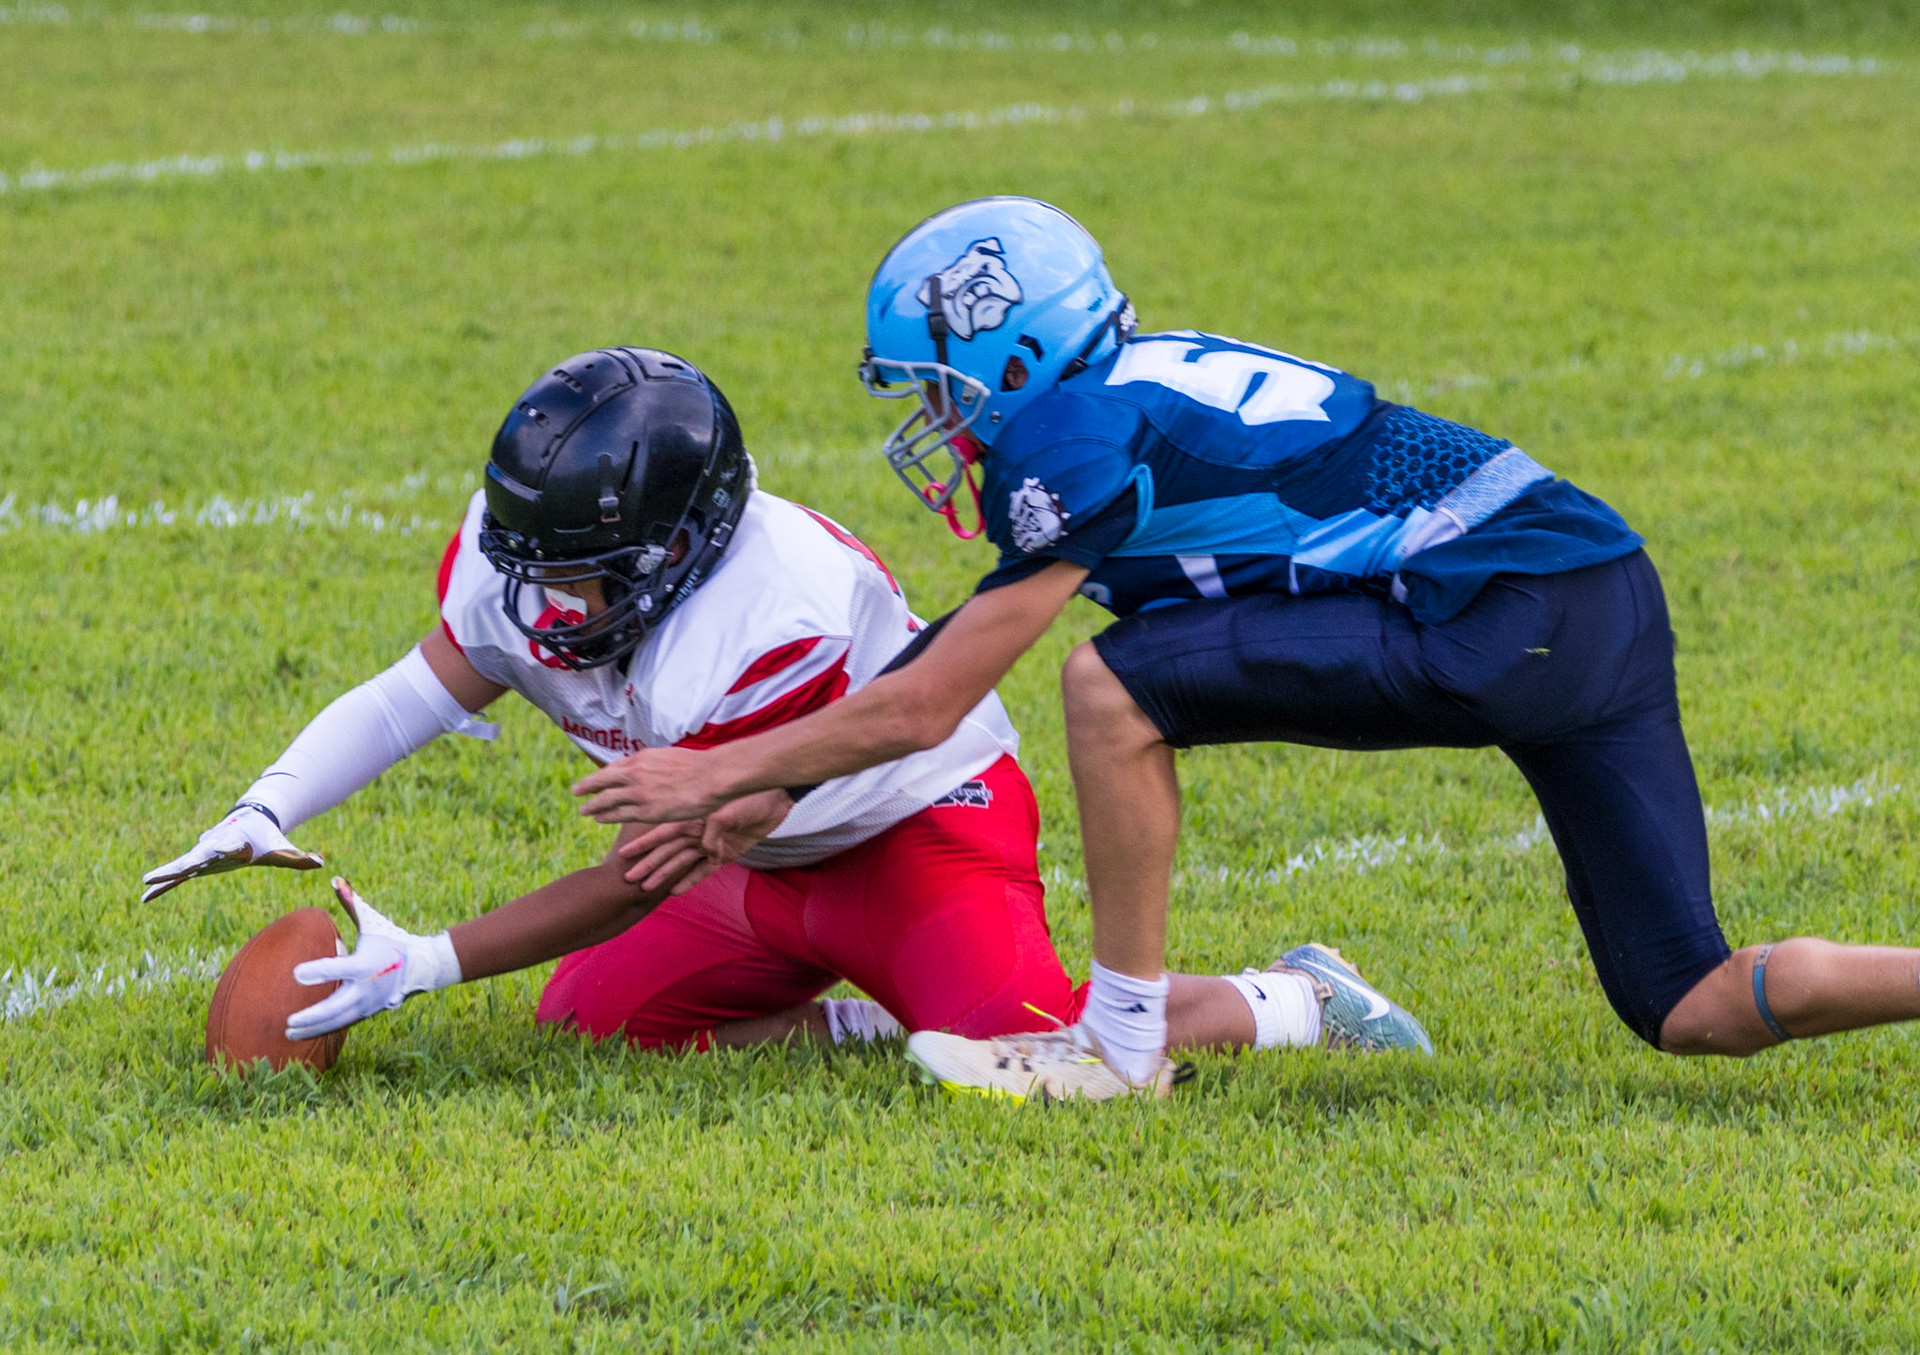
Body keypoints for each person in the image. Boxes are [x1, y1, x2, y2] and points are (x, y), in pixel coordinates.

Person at [569, 199, 1920, 1101]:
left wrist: (717, 771)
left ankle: (1122, 1048)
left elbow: (932, 701)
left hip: (1493, 614)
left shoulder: (1068, 432)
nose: (941, 419)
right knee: (1690, 1004)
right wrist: (784, 778)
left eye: (944, 385)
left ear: (1016, 356)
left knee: (1112, 686)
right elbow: (948, 652)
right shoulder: (1127, 384)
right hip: (1596, 587)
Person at [139, 345, 1430, 1090]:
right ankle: (882, 1010)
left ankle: (1294, 997)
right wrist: (266, 803)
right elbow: (414, 693)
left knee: (1048, 1060)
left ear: (679, 549)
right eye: (532, 563)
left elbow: (640, 875)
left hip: (917, 828)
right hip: (761, 868)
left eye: (582, 574)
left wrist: (433, 960)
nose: (544, 601)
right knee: (592, 1027)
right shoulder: (527, 562)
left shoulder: (772, 615)